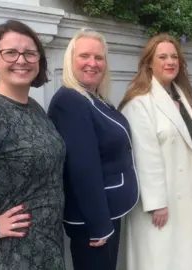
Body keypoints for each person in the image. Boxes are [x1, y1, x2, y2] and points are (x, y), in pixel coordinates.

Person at [119, 33, 192, 270]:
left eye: (174, 57)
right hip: (161, 205)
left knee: (183, 258)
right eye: (162, 57)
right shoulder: (139, 102)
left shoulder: (181, 96)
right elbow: (145, 154)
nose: (170, 62)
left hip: (186, 197)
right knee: (160, 260)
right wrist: (157, 203)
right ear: (149, 63)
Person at [0, 20, 66, 269]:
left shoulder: (32, 107)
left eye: (30, 53)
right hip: (16, 252)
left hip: (47, 244)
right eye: (10, 52)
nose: (21, 60)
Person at [47, 28, 139, 270]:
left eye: (99, 58)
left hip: (106, 210)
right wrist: (99, 225)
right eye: (84, 56)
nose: (92, 63)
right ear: (70, 60)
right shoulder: (70, 102)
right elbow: (82, 168)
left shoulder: (92, 96)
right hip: (93, 220)